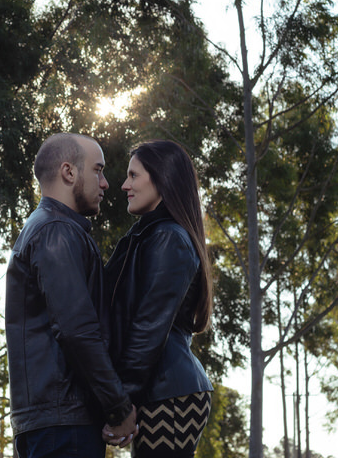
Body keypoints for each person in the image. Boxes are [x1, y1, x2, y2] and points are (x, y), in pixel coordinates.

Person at [6, 133, 138, 458]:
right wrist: (119, 407)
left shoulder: (50, 228)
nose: (106, 183)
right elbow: (77, 331)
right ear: (69, 172)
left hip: (52, 422)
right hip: (63, 425)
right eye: (98, 170)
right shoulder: (56, 231)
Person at [103, 139, 214, 458]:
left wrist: (122, 405)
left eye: (133, 176)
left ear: (162, 178)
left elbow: (148, 328)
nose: (124, 185)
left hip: (171, 392)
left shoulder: (169, 238)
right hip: (162, 389)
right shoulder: (146, 235)